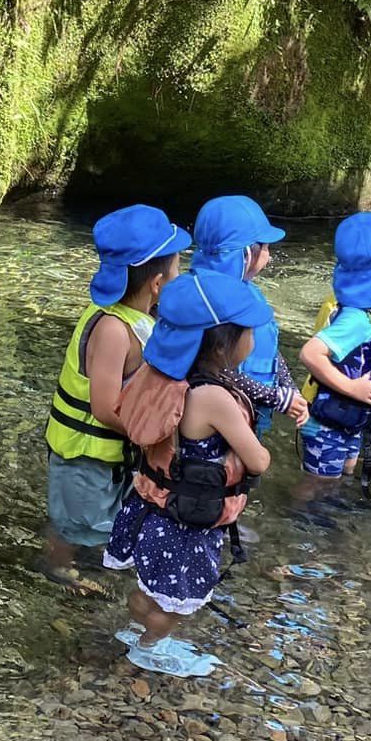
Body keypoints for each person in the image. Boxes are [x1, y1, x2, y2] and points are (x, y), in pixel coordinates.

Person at [103, 272, 274, 677]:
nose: (254, 339)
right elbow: (259, 461)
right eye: (248, 331)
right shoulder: (213, 397)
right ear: (222, 342)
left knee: (148, 588)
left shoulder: (159, 376)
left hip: (147, 508)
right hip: (185, 524)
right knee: (173, 603)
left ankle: (136, 628)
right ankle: (150, 646)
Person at [39, 205, 188, 594]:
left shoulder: (140, 318)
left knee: (102, 525)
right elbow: (105, 408)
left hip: (110, 458)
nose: (180, 275)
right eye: (176, 269)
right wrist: (154, 435)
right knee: (77, 526)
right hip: (84, 458)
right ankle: (57, 572)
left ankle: (76, 568)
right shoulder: (112, 329)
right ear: (156, 283)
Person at [298, 212, 371, 486]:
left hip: (348, 422)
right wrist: (352, 388)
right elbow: (310, 353)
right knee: (317, 487)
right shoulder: (356, 319)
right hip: (328, 428)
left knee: (340, 482)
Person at [190, 195, 308, 434]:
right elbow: (214, 370)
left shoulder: (249, 292)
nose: (270, 255)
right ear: (245, 253)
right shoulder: (208, 303)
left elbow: (271, 350)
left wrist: (290, 388)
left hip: (256, 408)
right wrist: (276, 397)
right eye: (265, 247)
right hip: (222, 417)